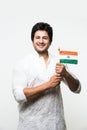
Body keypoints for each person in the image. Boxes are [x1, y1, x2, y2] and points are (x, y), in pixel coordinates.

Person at [12, 22, 81, 130]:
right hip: (30, 125)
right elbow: (18, 95)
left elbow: (77, 89)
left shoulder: (58, 62)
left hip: (56, 124)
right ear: (32, 40)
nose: (41, 41)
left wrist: (66, 74)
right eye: (37, 37)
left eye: (45, 38)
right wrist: (48, 85)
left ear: (50, 41)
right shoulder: (22, 64)